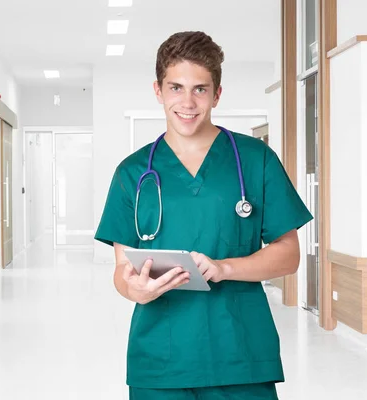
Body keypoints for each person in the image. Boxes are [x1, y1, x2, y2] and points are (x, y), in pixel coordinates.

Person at [94, 31, 313, 399]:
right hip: (160, 358)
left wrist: (225, 268)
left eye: (200, 89)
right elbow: (122, 270)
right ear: (158, 91)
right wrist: (136, 289)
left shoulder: (255, 160)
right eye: (176, 87)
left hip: (240, 353)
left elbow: (288, 255)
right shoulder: (133, 173)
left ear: (216, 94)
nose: (188, 102)